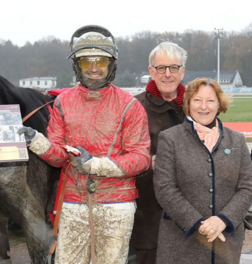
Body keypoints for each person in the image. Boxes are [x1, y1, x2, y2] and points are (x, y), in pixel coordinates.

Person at [18, 25, 151, 264]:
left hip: (117, 204)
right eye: (85, 62)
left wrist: (95, 165)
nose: (93, 69)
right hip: (73, 203)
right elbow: (59, 157)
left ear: (111, 64)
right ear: (76, 66)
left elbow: (140, 159)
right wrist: (37, 142)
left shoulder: (130, 106)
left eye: (100, 61)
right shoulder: (63, 102)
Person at [153, 77, 252, 264]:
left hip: (226, 241)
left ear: (219, 104)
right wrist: (199, 224)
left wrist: (223, 219)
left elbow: (247, 187)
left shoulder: (237, 140)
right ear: (188, 103)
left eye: (210, 100)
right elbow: (165, 189)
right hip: (182, 240)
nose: (203, 107)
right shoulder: (170, 139)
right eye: (197, 100)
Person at [130, 41, 187, 264]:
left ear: (182, 71)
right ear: (151, 71)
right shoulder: (135, 106)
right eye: (160, 68)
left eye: (173, 67)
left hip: (190, 207)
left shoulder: (197, 105)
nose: (167, 74)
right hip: (148, 209)